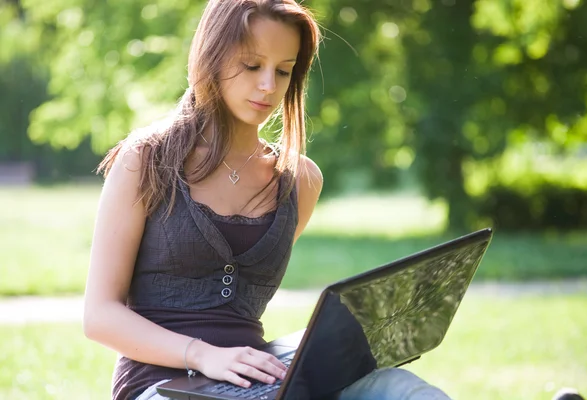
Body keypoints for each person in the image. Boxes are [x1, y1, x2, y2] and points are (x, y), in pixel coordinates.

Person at [83, 0, 457, 399]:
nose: (269, 86)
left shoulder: (300, 181)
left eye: (283, 71)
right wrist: (202, 355)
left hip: (253, 383)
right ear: (212, 56)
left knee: (400, 389)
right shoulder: (146, 159)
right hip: (158, 386)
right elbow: (99, 316)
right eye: (252, 66)